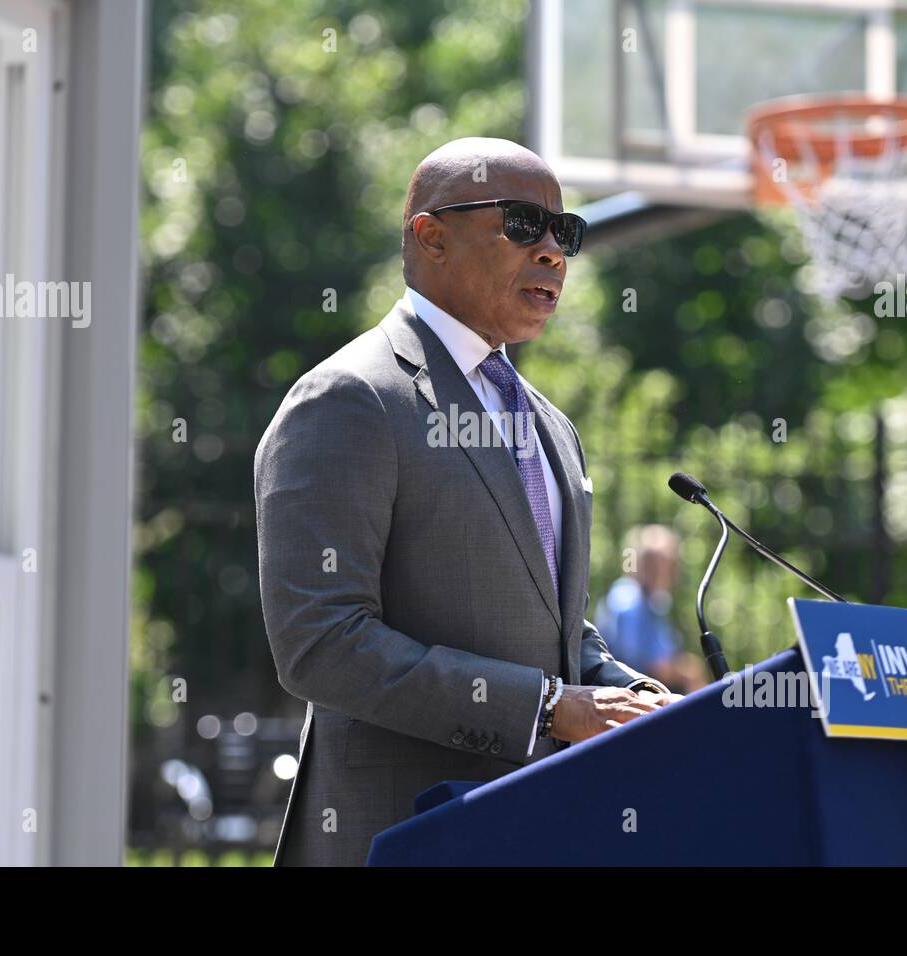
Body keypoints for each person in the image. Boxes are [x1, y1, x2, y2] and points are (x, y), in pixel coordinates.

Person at [254, 137, 684, 866]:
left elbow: (556, 633)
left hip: (542, 831)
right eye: (523, 224)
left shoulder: (552, 426)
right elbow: (321, 643)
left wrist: (653, 703)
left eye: (566, 233)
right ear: (432, 236)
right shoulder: (351, 399)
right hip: (399, 837)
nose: (553, 252)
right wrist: (546, 708)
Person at [596, 525, 706, 693]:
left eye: (666, 564)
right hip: (626, 696)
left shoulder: (652, 601)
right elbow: (641, 664)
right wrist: (686, 671)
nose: (661, 571)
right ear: (639, 563)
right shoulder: (628, 601)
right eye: (652, 563)